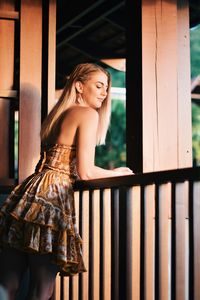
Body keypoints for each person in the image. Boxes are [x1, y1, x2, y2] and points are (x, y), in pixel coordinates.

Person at [0, 63, 133, 300]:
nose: (104, 93)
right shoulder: (88, 114)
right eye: (99, 86)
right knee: (42, 289)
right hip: (51, 198)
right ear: (80, 86)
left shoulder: (60, 113)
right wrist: (119, 173)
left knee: (7, 284)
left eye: (106, 88)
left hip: (29, 193)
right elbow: (86, 172)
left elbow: (64, 162)